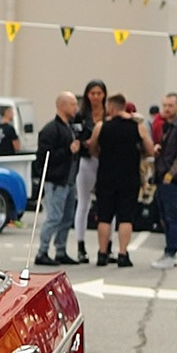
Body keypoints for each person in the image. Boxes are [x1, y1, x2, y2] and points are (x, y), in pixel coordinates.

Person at [90, 94, 145, 268]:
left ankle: (102, 253)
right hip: (129, 177)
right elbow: (150, 148)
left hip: (106, 176)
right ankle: (122, 254)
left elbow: (92, 147)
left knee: (105, 217)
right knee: (126, 217)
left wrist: (103, 154)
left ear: (111, 108)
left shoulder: (101, 126)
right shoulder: (137, 127)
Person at [31, 92, 82, 267]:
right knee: (54, 216)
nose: (76, 108)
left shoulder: (70, 128)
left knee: (67, 217)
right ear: (62, 105)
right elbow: (45, 157)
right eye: (73, 104)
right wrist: (69, 150)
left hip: (69, 180)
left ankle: (61, 250)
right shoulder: (51, 130)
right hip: (56, 180)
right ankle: (42, 251)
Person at [150, 92, 177, 266]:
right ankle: (168, 251)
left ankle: (171, 252)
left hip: (173, 180)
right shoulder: (166, 127)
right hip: (161, 177)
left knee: (172, 216)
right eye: (165, 105)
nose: (167, 109)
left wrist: (170, 175)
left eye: (171, 105)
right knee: (165, 216)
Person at [71, 78, 110, 262]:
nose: (95, 97)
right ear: (87, 95)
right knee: (83, 202)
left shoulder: (109, 114)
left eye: (99, 93)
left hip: (105, 160)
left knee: (107, 204)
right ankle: (81, 245)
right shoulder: (80, 115)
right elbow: (75, 134)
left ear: (104, 95)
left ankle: (107, 245)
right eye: (92, 93)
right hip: (86, 160)